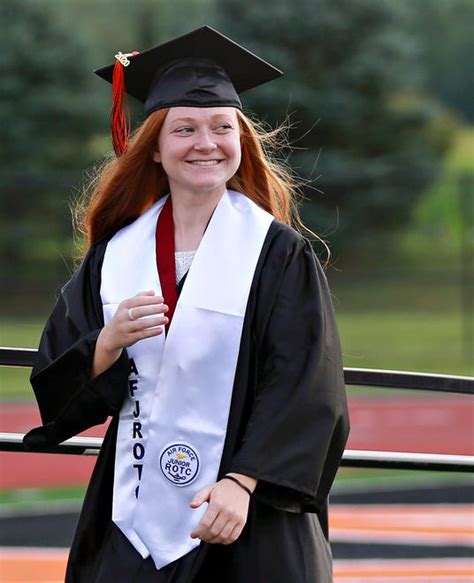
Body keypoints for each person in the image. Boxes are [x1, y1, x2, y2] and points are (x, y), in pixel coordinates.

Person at [24, 26, 349, 583]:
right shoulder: (115, 256)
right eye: (185, 129)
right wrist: (107, 342)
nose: (207, 142)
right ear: (153, 147)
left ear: (241, 141)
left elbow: (305, 382)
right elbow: (56, 385)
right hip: (133, 519)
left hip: (245, 518)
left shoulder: (276, 253)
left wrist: (244, 482)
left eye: (223, 127)